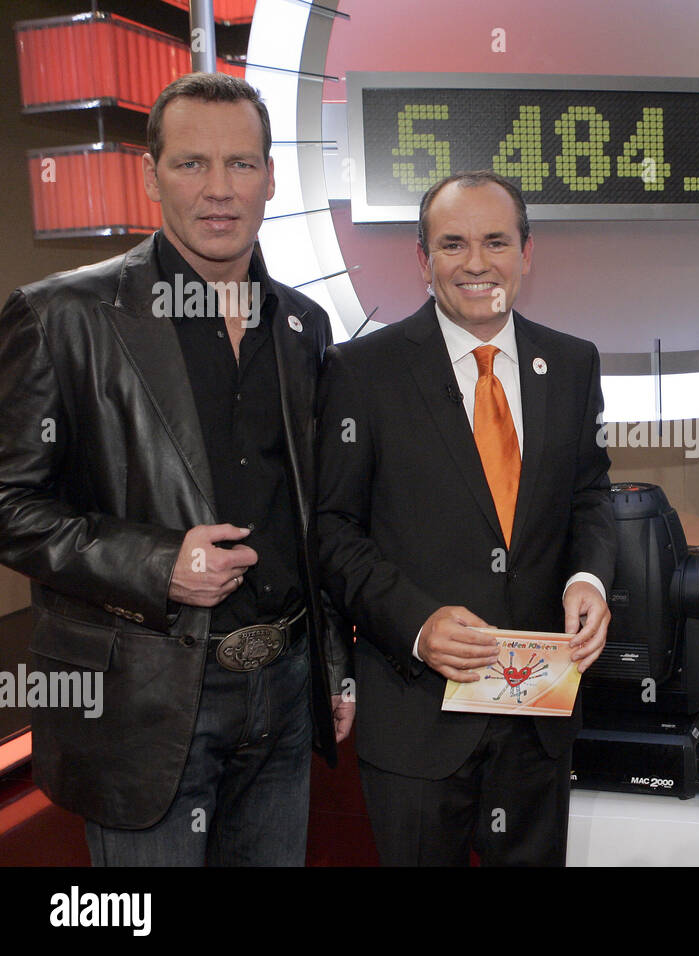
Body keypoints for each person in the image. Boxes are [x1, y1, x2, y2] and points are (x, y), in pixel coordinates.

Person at [0, 72, 353, 866]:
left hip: (286, 693)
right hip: (145, 702)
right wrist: (160, 565)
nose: (219, 190)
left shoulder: (304, 324)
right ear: (150, 172)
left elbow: (316, 518)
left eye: (242, 165)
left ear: (271, 177)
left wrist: (334, 666)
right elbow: (8, 503)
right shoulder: (62, 317)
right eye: (192, 164)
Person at [315, 170, 616, 866]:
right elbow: (332, 531)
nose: (476, 263)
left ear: (526, 253)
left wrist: (589, 580)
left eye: (495, 242)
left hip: (538, 711)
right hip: (416, 711)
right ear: (423, 260)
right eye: (452, 244)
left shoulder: (571, 364)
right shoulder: (361, 372)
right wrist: (417, 624)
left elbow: (590, 497)